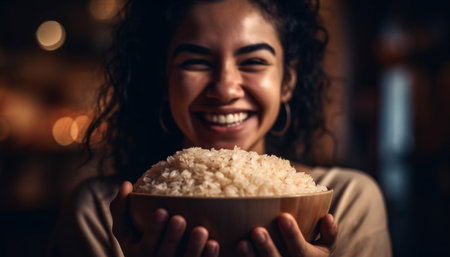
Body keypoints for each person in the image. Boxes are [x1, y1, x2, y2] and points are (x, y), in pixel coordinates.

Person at [48, 0, 392, 256]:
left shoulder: (347, 202)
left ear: (287, 81)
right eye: (196, 62)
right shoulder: (100, 212)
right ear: (161, 79)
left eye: (254, 62)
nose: (225, 89)